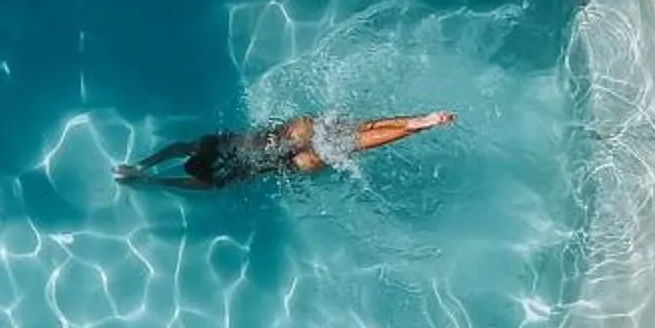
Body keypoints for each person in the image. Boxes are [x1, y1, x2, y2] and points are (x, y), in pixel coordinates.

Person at [115, 111, 455, 191]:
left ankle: (415, 127)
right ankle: (415, 120)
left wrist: (145, 179)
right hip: (285, 135)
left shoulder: (213, 181)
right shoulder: (208, 144)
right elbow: (175, 149)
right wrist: (143, 163)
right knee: (356, 128)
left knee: (352, 143)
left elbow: (175, 182)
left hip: (295, 163)